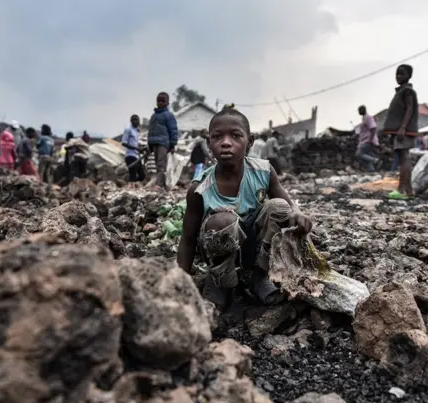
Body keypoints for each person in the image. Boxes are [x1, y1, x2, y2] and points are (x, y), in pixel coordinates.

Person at [176, 108, 313, 310]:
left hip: (253, 248)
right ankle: (221, 283)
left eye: (235, 136)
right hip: (219, 252)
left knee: (280, 207)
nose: (225, 142)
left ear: (249, 142)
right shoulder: (199, 189)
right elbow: (188, 239)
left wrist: (297, 213)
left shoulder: (264, 172)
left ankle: (260, 276)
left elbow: (289, 206)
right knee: (223, 220)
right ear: (209, 144)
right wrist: (180, 284)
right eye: (217, 137)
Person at [382, 64, 419, 199]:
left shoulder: (408, 91)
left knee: (404, 157)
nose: (398, 76)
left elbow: (409, 109)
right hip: (400, 130)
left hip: (403, 130)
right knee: (403, 157)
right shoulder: (401, 91)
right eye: (397, 74)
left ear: (409, 76)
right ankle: (408, 191)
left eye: (402, 74)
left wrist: (403, 127)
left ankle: (402, 190)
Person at [147, 92, 178, 189]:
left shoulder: (168, 115)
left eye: (163, 101)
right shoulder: (153, 116)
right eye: (158, 101)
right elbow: (150, 131)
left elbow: (173, 130)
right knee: (157, 164)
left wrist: (172, 144)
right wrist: (149, 144)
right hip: (154, 143)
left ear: (168, 103)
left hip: (163, 143)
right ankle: (163, 185)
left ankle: (159, 185)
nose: (160, 103)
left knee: (161, 164)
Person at [355, 106, 382, 173]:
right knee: (365, 155)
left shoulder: (368, 117)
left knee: (359, 154)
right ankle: (371, 170)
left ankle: (375, 160)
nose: (359, 112)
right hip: (365, 140)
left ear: (364, 110)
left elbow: (373, 128)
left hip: (368, 141)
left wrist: (370, 139)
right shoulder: (364, 118)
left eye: (360, 110)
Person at [122, 114, 145, 182]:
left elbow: (135, 144)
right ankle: (131, 188)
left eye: (137, 120)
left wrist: (140, 149)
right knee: (133, 174)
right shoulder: (128, 129)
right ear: (131, 121)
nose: (135, 121)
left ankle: (132, 185)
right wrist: (137, 149)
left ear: (139, 121)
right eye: (134, 120)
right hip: (130, 156)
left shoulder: (137, 131)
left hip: (136, 156)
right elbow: (124, 143)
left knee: (142, 176)